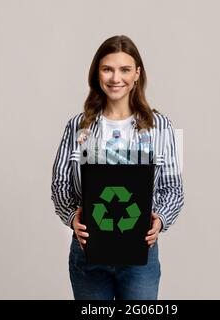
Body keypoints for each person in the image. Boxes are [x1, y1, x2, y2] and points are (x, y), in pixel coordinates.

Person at [51, 35, 184, 300]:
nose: (115, 78)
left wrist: (159, 220)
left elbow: (173, 189)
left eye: (124, 69)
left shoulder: (161, 126)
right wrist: (71, 217)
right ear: (97, 73)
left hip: (139, 256)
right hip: (87, 252)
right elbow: (61, 185)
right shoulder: (77, 126)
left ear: (137, 74)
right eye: (107, 69)